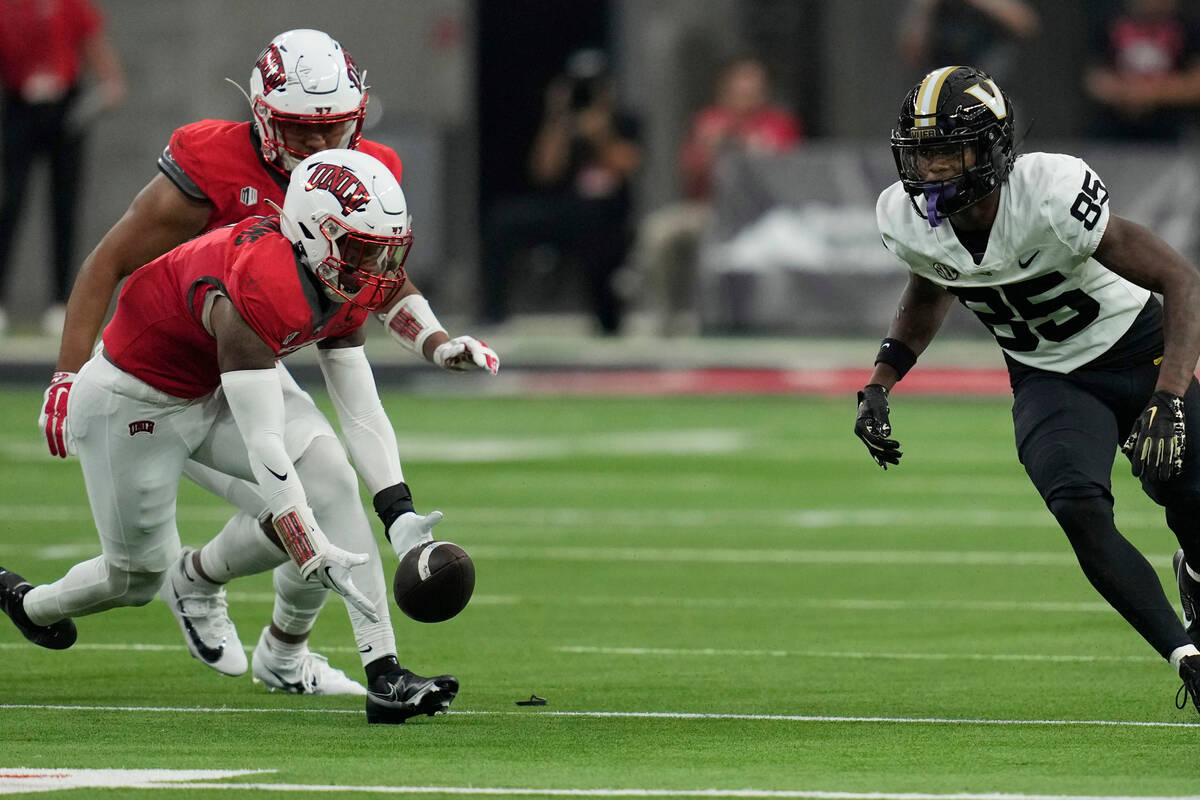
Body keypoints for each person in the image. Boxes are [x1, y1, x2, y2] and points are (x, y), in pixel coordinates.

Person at [36, 30, 497, 712]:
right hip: (154, 377)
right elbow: (108, 261)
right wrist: (67, 374)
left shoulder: (358, 185)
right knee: (143, 571)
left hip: (246, 355)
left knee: (329, 483)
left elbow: (375, 284)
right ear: (260, 116)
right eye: (299, 131)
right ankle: (54, 599)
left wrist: (430, 346)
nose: (320, 145)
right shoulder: (229, 197)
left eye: (334, 127)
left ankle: (330, 661)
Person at [853, 65, 1200, 714]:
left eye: (948, 150)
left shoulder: (1049, 192)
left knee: (1191, 501)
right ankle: (1186, 655)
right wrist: (882, 378)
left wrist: (1169, 395)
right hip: (1047, 376)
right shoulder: (905, 218)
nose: (930, 171)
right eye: (921, 153)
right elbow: (932, 285)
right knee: (1078, 506)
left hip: (1136, 350)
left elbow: (1181, 280)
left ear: (990, 148)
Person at [626, 56, 801, 335]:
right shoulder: (709, 122)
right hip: (711, 211)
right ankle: (665, 319)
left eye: (754, 85)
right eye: (741, 84)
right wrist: (709, 150)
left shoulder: (779, 123)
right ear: (726, 88)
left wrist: (750, 146)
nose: (748, 91)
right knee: (659, 231)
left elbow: (788, 176)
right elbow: (689, 176)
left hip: (761, 217)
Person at [481, 48, 642, 334]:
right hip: (568, 211)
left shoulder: (625, 121)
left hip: (608, 217)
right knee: (504, 221)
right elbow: (544, 173)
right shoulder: (563, 125)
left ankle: (608, 316)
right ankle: (494, 312)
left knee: (602, 250)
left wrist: (600, 131)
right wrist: (556, 117)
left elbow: (626, 165)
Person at [0, 0, 127, 336]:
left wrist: (110, 80)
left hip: (65, 108)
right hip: (19, 107)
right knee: (10, 203)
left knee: (64, 208)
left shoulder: (70, 3)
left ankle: (59, 303)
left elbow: (92, 41)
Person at [1083, 0, 1200, 142]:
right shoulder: (1110, 22)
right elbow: (1095, 80)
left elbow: (1195, 84)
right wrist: (1127, 93)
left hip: (1171, 131)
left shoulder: (1188, 27)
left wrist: (1151, 93)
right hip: (1113, 131)